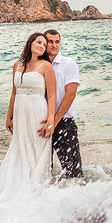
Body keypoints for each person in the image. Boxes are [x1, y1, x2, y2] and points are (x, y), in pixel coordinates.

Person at [0, 32, 57, 199]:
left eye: (44, 45)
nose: (42, 46)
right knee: (20, 147)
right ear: (30, 43)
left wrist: (51, 120)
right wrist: (8, 116)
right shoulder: (17, 65)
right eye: (39, 42)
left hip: (38, 111)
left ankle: (35, 190)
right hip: (20, 113)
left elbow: (52, 95)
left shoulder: (46, 66)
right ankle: (17, 186)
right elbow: (14, 93)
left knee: (36, 148)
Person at [39, 29, 83, 178]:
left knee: (73, 172)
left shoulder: (68, 64)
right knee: (43, 171)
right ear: (44, 44)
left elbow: (71, 94)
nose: (54, 45)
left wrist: (54, 121)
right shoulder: (38, 65)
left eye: (57, 42)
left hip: (64, 123)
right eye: (50, 42)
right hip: (40, 122)